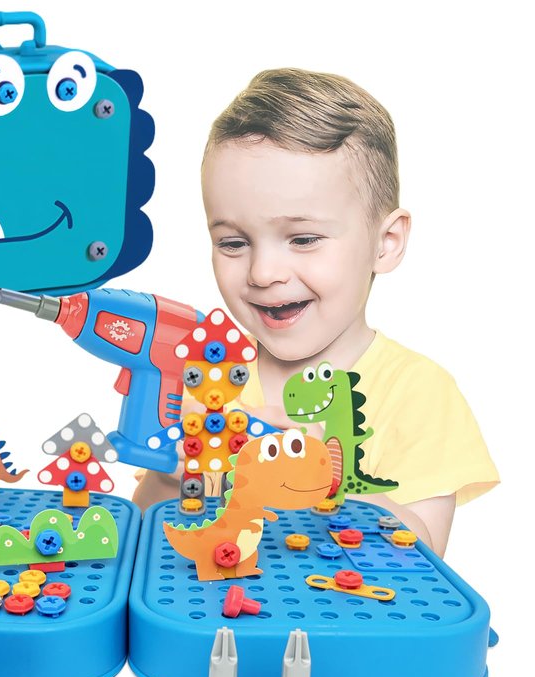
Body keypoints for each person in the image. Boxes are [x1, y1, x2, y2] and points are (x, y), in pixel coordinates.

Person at [133, 68, 498, 556]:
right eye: (233, 242)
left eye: (303, 239)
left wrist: (316, 478)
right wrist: (168, 476)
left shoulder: (420, 393)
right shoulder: (204, 382)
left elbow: (425, 556)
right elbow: (143, 544)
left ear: (386, 242)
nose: (263, 272)